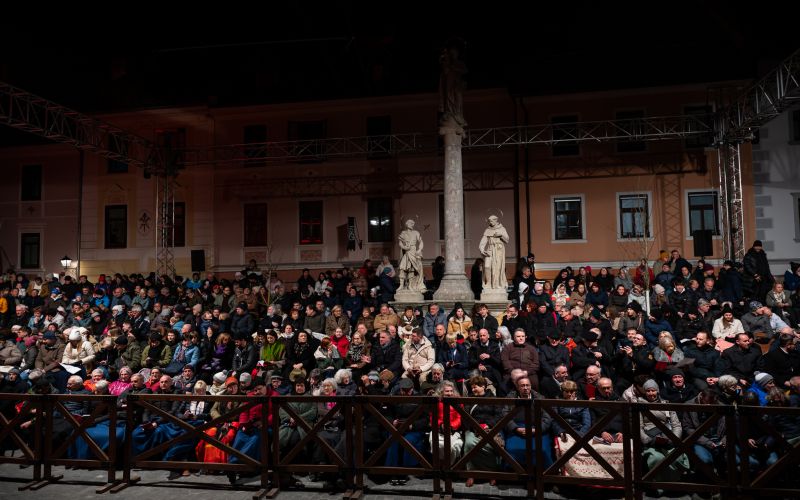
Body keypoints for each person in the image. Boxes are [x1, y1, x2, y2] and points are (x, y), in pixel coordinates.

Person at [479, 215, 510, 291]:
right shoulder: (488, 230)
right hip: (490, 249)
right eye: (489, 221)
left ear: (496, 220)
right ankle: (488, 283)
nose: (490, 222)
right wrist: (482, 249)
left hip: (499, 250)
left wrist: (501, 235)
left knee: (497, 268)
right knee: (487, 266)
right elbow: (483, 241)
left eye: (492, 221)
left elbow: (507, 240)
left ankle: (496, 284)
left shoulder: (502, 229)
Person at [397, 219, 425, 292]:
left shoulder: (416, 232)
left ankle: (410, 285)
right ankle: (401, 285)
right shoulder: (403, 233)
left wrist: (419, 249)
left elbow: (421, 242)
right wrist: (404, 247)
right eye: (411, 223)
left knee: (411, 269)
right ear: (407, 224)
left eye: (413, 224)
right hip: (406, 252)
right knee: (402, 268)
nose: (412, 225)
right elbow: (400, 243)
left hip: (413, 251)